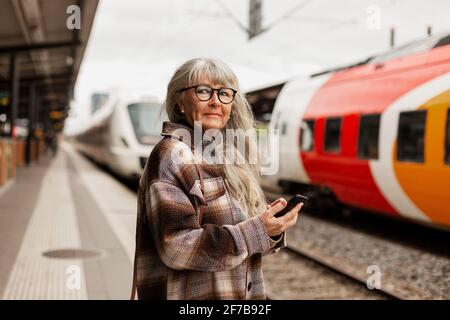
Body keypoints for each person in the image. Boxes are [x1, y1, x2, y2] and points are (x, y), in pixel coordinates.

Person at [131, 58, 303, 300]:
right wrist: (255, 231)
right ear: (180, 103)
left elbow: (244, 234)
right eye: (203, 91)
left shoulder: (224, 155)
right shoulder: (174, 154)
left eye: (224, 93)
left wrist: (269, 228)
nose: (215, 101)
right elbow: (176, 247)